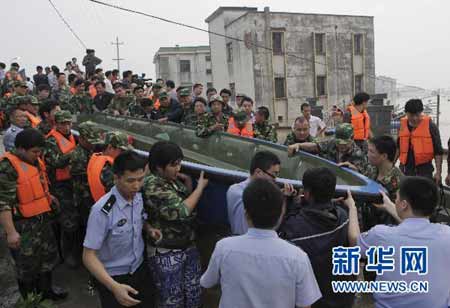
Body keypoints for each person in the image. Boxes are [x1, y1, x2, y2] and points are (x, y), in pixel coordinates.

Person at [202, 178, 321, 308]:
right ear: (281, 213)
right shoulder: (298, 257)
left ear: (246, 214)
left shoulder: (224, 248)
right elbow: (305, 304)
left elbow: (208, 282)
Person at [344, 177, 450, 308]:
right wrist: (390, 207)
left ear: (404, 204)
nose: (395, 200)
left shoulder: (382, 235)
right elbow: (415, 226)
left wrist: (352, 208)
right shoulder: (446, 234)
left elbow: (354, 241)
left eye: (397, 198)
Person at [83, 151, 159, 308]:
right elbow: (88, 256)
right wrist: (114, 287)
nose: (136, 186)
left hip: (139, 270)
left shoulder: (137, 197)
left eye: (140, 179)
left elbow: (137, 220)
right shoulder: (102, 211)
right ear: (116, 178)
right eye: (130, 181)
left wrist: (149, 228)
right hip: (113, 278)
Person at [0, 129, 68, 300]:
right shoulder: (7, 167)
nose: (38, 155)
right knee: (26, 265)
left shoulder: (35, 161)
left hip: (42, 219)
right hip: (23, 225)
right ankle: (31, 300)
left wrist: (49, 197)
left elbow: (38, 183)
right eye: (35, 152)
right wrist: (11, 233)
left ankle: (47, 291)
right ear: (21, 149)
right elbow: (3, 203)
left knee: (47, 258)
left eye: (40, 151)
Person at [142, 141, 209, 308]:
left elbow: (182, 200)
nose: (178, 169)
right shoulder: (152, 185)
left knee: (193, 293)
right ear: (158, 167)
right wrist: (199, 188)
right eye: (173, 165)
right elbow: (181, 211)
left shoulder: (171, 180)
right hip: (167, 251)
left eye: (179, 163)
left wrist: (187, 185)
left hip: (186, 245)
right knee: (172, 299)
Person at [279, 167, 354, 308]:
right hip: (340, 298)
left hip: (313, 301)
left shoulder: (294, 228)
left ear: (307, 193)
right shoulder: (343, 217)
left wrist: (286, 201)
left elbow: (278, 231)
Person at [43, 110, 78, 267]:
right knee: (66, 220)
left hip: (72, 182)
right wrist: (76, 153)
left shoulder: (71, 136)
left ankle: (72, 251)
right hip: (59, 185)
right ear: (55, 124)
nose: (66, 126)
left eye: (68, 123)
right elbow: (56, 162)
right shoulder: (50, 141)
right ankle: (66, 254)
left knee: (73, 219)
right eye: (62, 123)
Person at [227, 151, 286, 235]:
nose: (275, 180)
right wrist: (280, 199)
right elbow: (272, 228)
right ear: (258, 172)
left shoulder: (233, 190)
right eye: (273, 174)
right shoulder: (258, 198)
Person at [289, 123, 368, 173]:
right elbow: (315, 146)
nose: (341, 146)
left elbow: (361, 175)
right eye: (338, 143)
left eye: (344, 144)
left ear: (352, 139)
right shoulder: (331, 143)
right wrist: (299, 145)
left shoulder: (358, 154)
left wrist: (352, 168)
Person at [398, 99, 444, 183]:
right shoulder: (402, 126)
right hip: (405, 170)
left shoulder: (431, 126)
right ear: (406, 113)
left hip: (425, 171)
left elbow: (438, 151)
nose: (415, 118)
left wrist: (438, 173)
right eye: (411, 115)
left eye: (417, 115)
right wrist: (391, 167)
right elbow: (398, 148)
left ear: (421, 112)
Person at [87, 131, 133, 203]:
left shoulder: (96, 157)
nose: (124, 155)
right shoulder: (108, 170)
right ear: (110, 148)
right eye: (122, 151)